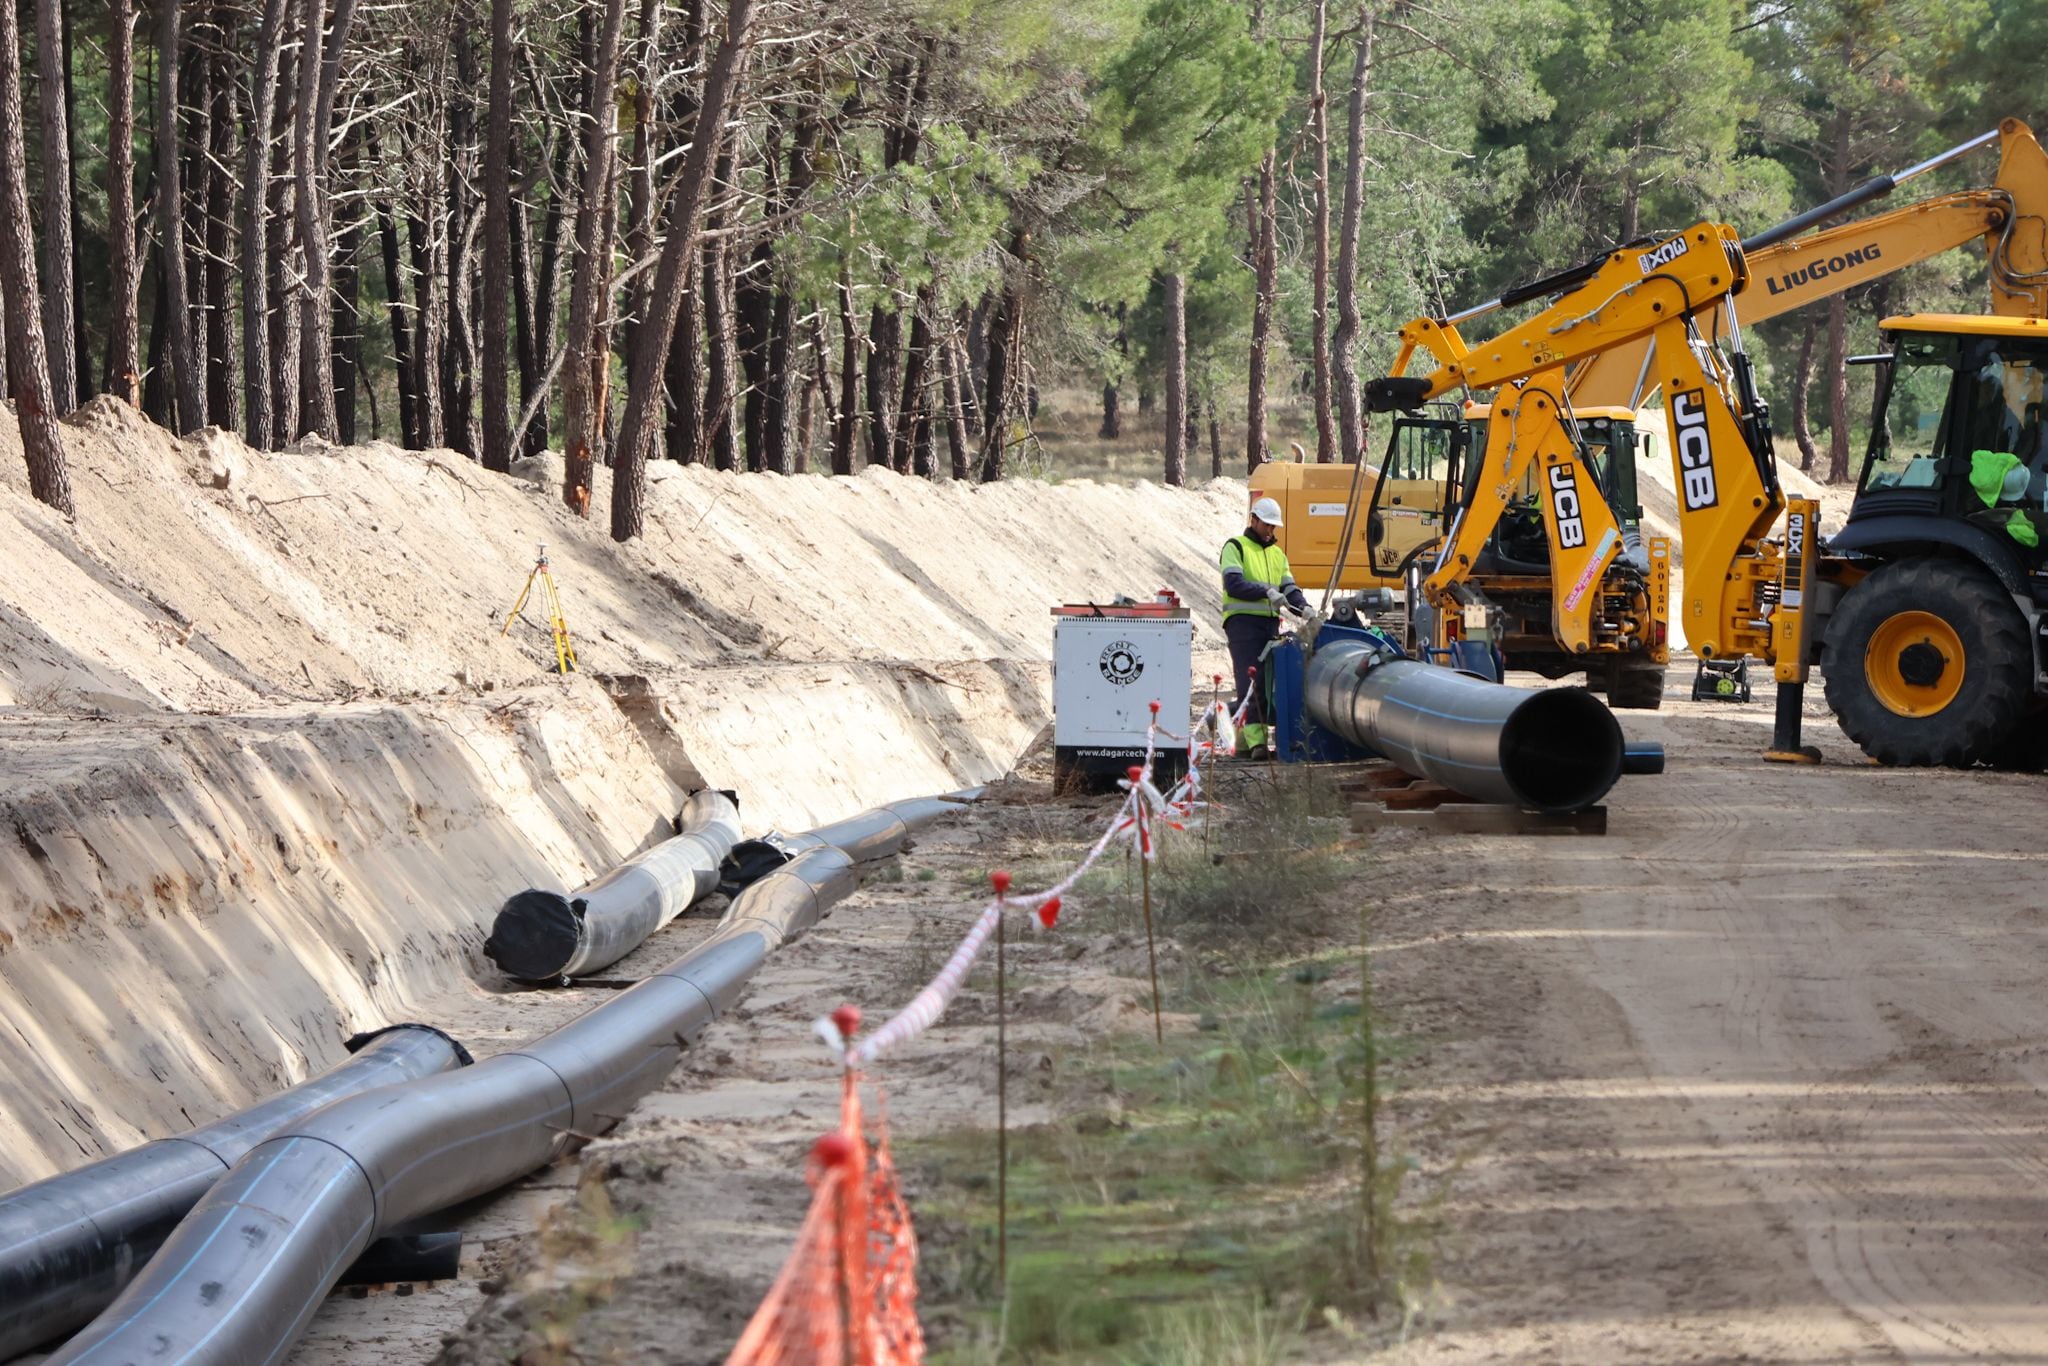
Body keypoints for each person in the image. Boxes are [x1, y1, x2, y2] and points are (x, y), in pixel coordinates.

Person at [1219, 496, 1309, 755]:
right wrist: (1266, 591)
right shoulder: (1236, 547)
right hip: (1242, 624)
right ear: (1254, 520)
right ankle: (1257, 743)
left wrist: (1305, 608)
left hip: (1269, 625)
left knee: (1268, 682)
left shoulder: (1278, 555)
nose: (1270, 530)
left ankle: (1245, 743)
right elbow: (1233, 584)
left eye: (1273, 526)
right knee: (1251, 681)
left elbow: (1289, 588)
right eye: (1267, 524)